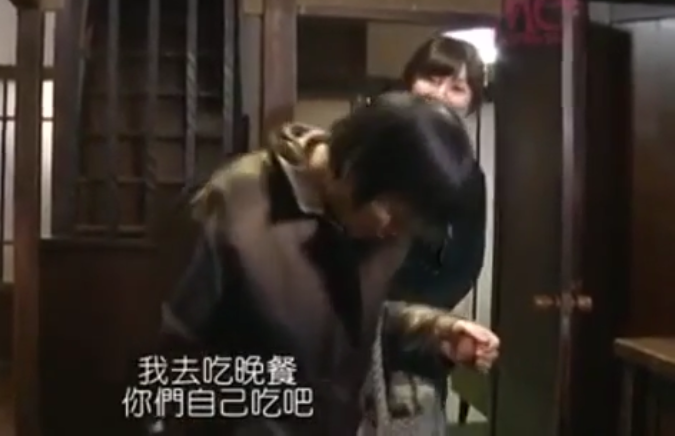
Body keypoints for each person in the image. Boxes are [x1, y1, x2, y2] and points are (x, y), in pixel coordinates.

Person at [140, 93, 499, 435]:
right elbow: (163, 364)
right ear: (355, 166)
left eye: (410, 226)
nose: (395, 233)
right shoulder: (233, 205)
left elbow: (354, 325)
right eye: (394, 214)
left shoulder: (383, 230)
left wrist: (435, 332)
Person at [379, 35, 490, 413]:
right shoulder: (369, 144)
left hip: (418, 343)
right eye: (431, 79)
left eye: (457, 87)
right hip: (346, 334)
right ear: (410, 80)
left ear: (471, 102)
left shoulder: (468, 176)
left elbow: (466, 264)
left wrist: (427, 323)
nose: (440, 95)